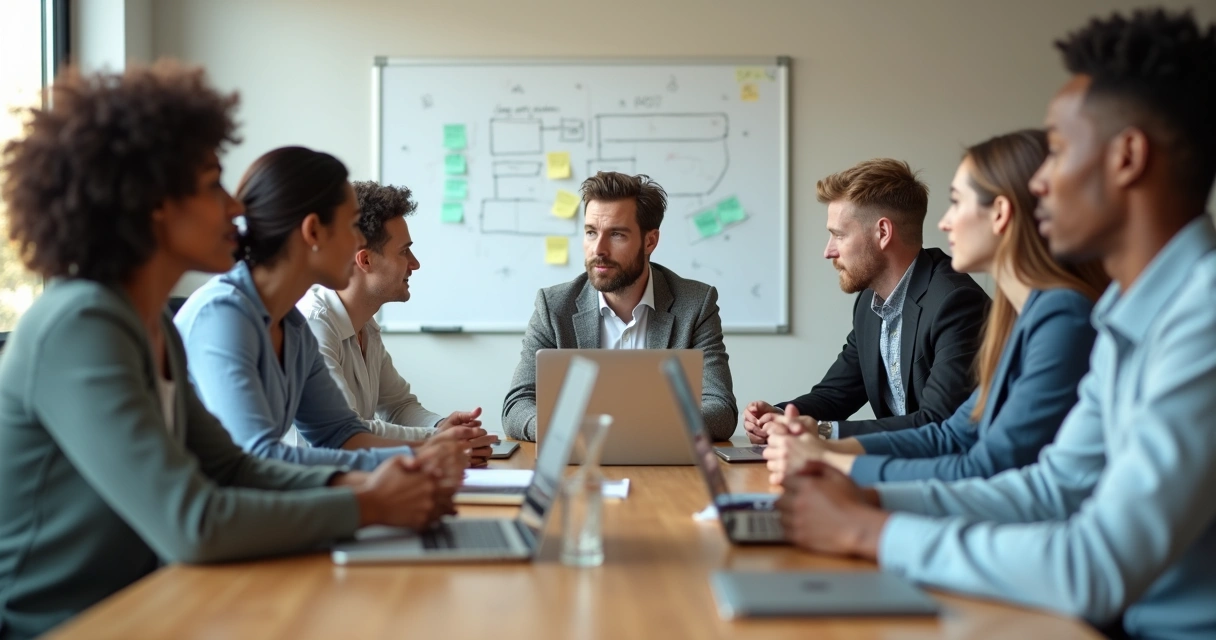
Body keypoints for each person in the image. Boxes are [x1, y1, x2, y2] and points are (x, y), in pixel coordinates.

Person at [773, 10, 1216, 639]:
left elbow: (1096, 564)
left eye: (1057, 151)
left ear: (1127, 157)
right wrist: (867, 500)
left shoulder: (1201, 320)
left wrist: (870, 529)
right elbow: (1050, 490)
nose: (1038, 183)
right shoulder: (1129, 315)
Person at [0, 63, 456, 640]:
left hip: (152, 602)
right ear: (154, 200)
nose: (236, 208)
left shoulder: (150, 326)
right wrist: (369, 504)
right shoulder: (81, 325)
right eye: (211, 184)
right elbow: (192, 520)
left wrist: (385, 479)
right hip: (68, 623)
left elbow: (232, 467)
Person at [764, 130, 1108, 486]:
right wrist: (808, 437)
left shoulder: (1053, 314)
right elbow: (953, 436)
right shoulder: (1019, 316)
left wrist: (832, 456)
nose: (943, 223)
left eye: (957, 201)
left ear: (1001, 213)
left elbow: (980, 462)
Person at [175, 146, 477, 474]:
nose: (357, 245)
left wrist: (437, 450)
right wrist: (425, 455)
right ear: (314, 232)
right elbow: (259, 457)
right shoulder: (223, 315)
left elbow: (340, 433)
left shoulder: (292, 326)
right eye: (352, 227)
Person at [744, 159, 989, 442]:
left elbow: (937, 422)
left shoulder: (956, 303)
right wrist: (779, 416)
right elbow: (836, 395)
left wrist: (822, 431)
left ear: (883, 233)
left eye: (838, 235)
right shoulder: (870, 304)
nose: (828, 251)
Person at [502, 172, 737, 441]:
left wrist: (632, 432)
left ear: (650, 241)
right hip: (576, 466)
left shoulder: (695, 304)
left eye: (616, 234)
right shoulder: (554, 307)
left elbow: (721, 410)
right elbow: (517, 406)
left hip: (664, 470)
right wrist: (564, 431)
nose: (598, 249)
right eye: (591, 232)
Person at [298, 180, 497, 465]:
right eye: (404, 251)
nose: (414, 264)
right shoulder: (315, 326)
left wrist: (441, 427)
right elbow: (348, 431)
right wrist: (437, 442)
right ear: (365, 260)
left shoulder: (366, 325)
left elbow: (398, 405)